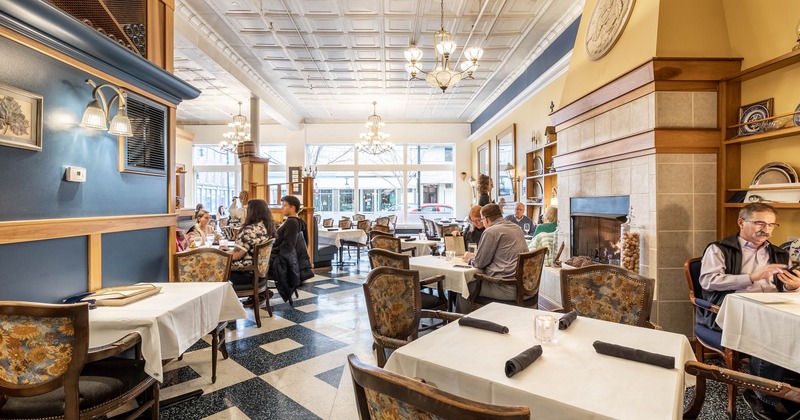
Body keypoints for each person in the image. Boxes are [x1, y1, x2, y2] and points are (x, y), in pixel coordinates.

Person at [699, 203, 800, 419]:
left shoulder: (780, 253)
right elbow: (708, 281)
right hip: (732, 312)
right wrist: (752, 277)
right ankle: (760, 395)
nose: (767, 229)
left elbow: (783, 287)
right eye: (760, 223)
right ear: (741, 222)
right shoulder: (719, 249)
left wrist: (793, 286)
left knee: (793, 329)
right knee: (771, 332)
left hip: (772, 308)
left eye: (771, 225)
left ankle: (791, 391)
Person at [457, 203, 528, 312]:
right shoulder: (516, 228)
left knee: (463, 288)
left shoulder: (491, 231)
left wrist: (469, 258)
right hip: (525, 286)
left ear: (486, 219)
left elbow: (479, 263)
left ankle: (463, 320)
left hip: (506, 287)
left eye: (481, 219)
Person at [269, 195, 314, 301]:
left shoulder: (291, 223)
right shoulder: (299, 221)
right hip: (289, 260)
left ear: (292, 207)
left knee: (255, 265)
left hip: (283, 262)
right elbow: (305, 243)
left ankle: (259, 292)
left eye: (284, 206)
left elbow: (288, 246)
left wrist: (270, 251)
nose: (282, 208)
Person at [229, 199, 277, 286]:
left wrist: (221, 253)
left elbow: (236, 256)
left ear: (251, 212)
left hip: (245, 273)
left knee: (213, 265)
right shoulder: (266, 228)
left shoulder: (249, 230)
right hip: (260, 272)